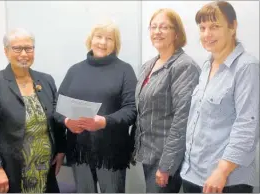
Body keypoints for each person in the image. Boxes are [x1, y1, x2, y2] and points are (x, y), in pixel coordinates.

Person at [0, 28, 66, 193]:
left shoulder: (46, 80)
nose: (24, 53)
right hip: (10, 169)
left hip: (44, 167)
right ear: (6, 51)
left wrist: (60, 150)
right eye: (17, 48)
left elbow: (55, 118)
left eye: (29, 48)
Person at [180, 1, 259, 193]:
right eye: (203, 28)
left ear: (233, 27)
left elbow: (248, 125)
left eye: (215, 27)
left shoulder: (246, 67)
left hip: (225, 181)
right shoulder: (207, 65)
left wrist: (222, 171)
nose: (207, 34)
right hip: (193, 173)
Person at [54, 20, 137, 193]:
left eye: (109, 39)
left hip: (111, 153)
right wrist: (67, 121)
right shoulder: (74, 71)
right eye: (99, 36)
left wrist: (104, 122)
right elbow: (57, 106)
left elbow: (131, 110)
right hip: (79, 151)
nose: (103, 42)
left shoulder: (125, 70)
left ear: (116, 44)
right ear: (90, 39)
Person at [133, 9, 200, 193]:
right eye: (153, 27)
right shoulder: (148, 65)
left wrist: (167, 165)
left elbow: (182, 118)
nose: (157, 31)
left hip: (167, 157)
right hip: (148, 153)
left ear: (176, 33)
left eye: (164, 27)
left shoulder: (184, 66)